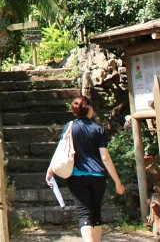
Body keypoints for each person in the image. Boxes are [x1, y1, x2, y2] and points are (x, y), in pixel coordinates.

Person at [45, 95, 125, 242]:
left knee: (84, 214)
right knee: (96, 213)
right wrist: (117, 182)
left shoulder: (70, 127)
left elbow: (60, 151)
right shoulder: (99, 129)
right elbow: (105, 158)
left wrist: (50, 172)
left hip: (77, 177)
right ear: (88, 108)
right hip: (98, 178)